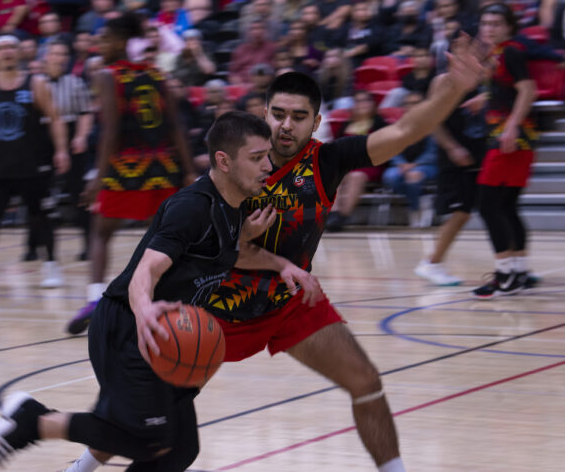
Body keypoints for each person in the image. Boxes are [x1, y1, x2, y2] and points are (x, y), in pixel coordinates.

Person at [62, 34, 488, 472]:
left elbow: (403, 130)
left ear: (317, 120)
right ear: (264, 113)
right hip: (215, 309)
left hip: (288, 301)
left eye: (299, 117)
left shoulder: (327, 161)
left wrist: (455, 88)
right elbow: (209, 235)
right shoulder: (240, 161)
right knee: (149, 419)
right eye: (278, 114)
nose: (286, 125)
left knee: (365, 380)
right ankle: (79, 468)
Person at [0, 111, 321, 472]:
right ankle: (30, 421)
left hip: (167, 333)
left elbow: (230, 251)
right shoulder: (192, 208)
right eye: (256, 158)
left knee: (180, 449)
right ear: (224, 161)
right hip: (131, 326)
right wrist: (144, 312)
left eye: (267, 155)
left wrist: (283, 265)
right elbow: (147, 269)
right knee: (148, 439)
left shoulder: (233, 205)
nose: (268, 165)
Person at [65, 14, 197, 335]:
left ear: (121, 41)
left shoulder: (108, 76)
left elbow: (110, 130)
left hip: (126, 167)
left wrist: (97, 177)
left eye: (106, 40)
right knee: (165, 239)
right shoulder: (157, 74)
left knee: (100, 232)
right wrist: (189, 170)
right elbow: (175, 126)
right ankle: (174, 298)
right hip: (163, 167)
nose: (100, 46)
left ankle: (97, 298)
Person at [0, 34, 70, 293]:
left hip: (33, 163)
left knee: (40, 216)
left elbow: (55, 118)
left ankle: (51, 265)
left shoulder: (36, 83)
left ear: (20, 53)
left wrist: (61, 150)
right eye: (1, 48)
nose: (7, 51)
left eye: (11, 47)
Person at [472, 3, 538, 299]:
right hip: (516, 137)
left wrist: (511, 126)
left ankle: (505, 275)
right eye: (485, 23)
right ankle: (520, 271)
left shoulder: (510, 51)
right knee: (508, 206)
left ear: (509, 26)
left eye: (496, 23)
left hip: (511, 139)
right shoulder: (496, 55)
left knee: (488, 205)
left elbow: (528, 89)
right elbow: (508, 90)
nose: (489, 28)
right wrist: (483, 98)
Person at [24, 39, 94, 262]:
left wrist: (81, 136)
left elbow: (85, 113)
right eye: (55, 53)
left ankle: (89, 245)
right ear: (46, 57)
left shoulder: (76, 83)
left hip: (71, 133)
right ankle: (33, 247)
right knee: (36, 193)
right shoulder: (34, 84)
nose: (60, 58)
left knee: (79, 194)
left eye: (64, 53)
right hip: (41, 136)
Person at [415, 82, 488, 286]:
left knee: (493, 207)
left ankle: (514, 262)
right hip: (455, 157)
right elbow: (433, 120)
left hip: (480, 153)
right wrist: (451, 147)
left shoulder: (484, 78)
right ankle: (432, 263)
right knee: (461, 212)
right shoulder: (444, 81)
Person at [326, 89, 388, 231]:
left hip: (370, 163)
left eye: (366, 100)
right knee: (335, 174)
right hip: (347, 164)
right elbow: (336, 147)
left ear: (373, 104)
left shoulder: (380, 123)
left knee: (356, 176)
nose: (362, 104)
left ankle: (342, 217)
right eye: (358, 101)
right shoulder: (346, 125)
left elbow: (384, 148)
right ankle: (333, 214)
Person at [381, 92, 439, 227]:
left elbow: (433, 152)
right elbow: (392, 148)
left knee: (414, 177)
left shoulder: (432, 125)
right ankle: (422, 199)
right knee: (390, 177)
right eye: (408, 103)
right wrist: (401, 163)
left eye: (415, 103)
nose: (411, 106)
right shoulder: (397, 125)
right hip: (402, 165)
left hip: (426, 165)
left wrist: (415, 164)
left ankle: (414, 210)